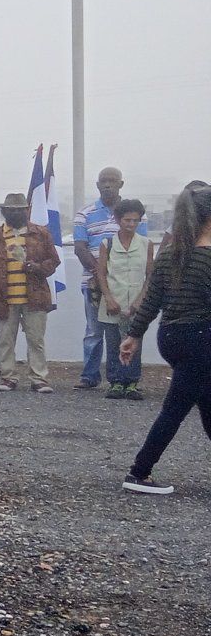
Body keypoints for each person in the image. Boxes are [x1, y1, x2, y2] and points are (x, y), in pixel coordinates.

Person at [119, 181, 211, 495]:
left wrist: (133, 334)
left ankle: (139, 471)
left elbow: (153, 298)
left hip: (171, 336)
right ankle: (138, 472)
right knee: (174, 410)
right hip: (199, 339)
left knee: (207, 400)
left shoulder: (171, 252)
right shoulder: (208, 257)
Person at [0, 190, 62, 393]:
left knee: (36, 340)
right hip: (3, 299)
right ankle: (8, 377)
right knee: (6, 340)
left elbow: (54, 261)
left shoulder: (40, 234)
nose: (16, 214)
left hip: (35, 297)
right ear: (4, 212)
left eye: (20, 210)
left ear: (27, 211)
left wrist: (35, 268)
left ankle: (39, 378)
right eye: (11, 211)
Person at [72, 167, 137, 389]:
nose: (107, 185)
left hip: (125, 283)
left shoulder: (133, 215)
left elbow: (140, 245)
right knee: (93, 330)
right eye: (103, 181)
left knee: (123, 330)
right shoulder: (85, 214)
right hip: (92, 282)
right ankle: (89, 376)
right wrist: (101, 274)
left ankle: (122, 379)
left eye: (112, 181)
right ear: (97, 185)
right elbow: (80, 248)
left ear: (121, 184)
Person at [96, 198, 153, 399]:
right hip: (113, 303)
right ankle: (116, 382)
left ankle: (132, 383)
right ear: (118, 220)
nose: (131, 224)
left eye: (135, 220)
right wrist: (109, 298)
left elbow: (149, 276)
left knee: (134, 342)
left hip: (136, 305)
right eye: (127, 220)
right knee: (113, 343)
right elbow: (101, 274)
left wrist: (140, 301)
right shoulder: (107, 244)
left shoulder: (146, 244)